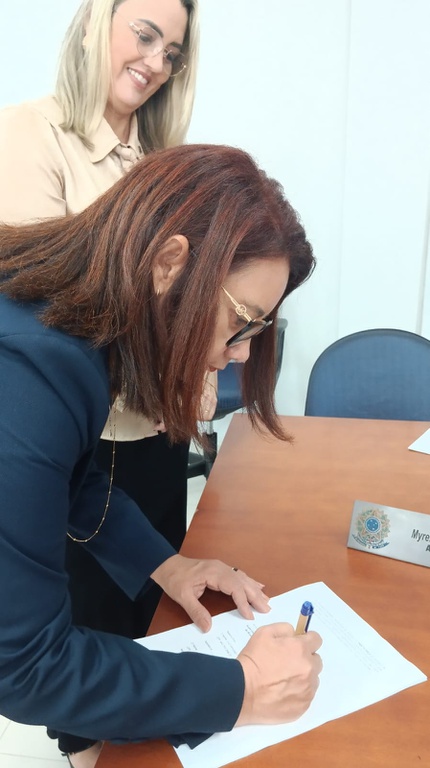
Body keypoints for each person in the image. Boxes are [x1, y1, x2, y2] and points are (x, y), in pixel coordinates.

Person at [0, 144, 321, 768]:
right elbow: (27, 666)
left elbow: (73, 482)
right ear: (169, 264)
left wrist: (165, 565)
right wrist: (243, 688)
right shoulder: (30, 372)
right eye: (243, 321)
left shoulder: (69, 337)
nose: (242, 353)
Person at [0, 0, 214, 650]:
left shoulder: (161, 161)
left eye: (171, 54)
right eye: (145, 36)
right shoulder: (29, 136)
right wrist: (178, 357)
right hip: (87, 436)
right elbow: (48, 312)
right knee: (90, 625)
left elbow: (190, 294)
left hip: (158, 428)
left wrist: (200, 361)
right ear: (97, 23)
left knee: (161, 607)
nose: (155, 63)